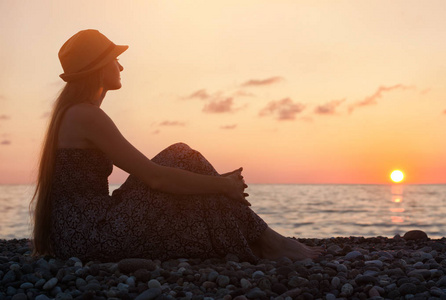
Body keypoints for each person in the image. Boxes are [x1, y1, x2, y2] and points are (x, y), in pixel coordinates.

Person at [31, 29, 322, 263]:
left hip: (77, 233)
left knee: (183, 164)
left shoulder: (76, 113)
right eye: (114, 59)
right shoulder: (85, 114)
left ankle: (263, 240)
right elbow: (155, 177)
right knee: (181, 155)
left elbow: (154, 177)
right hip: (89, 235)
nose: (120, 65)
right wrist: (221, 185)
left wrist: (214, 184)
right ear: (97, 67)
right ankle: (268, 241)